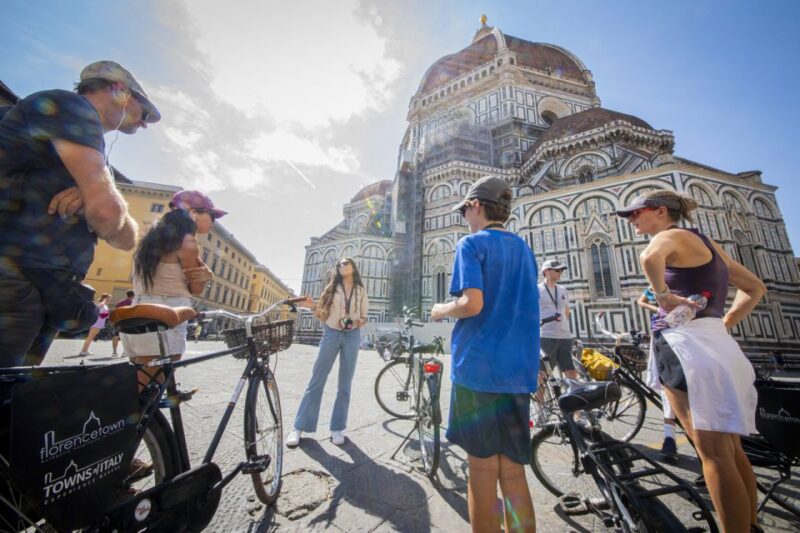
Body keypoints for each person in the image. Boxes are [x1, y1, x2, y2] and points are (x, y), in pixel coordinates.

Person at [619, 190, 766, 533]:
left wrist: (665, 296)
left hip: (687, 350)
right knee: (731, 450)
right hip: (718, 344)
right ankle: (751, 525)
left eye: (635, 212)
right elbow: (755, 288)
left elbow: (649, 259)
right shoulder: (708, 245)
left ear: (659, 211)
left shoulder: (669, 236)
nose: (631, 219)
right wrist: (724, 323)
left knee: (712, 455)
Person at [0, 60, 159, 367]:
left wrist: (96, 192)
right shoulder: (68, 107)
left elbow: (127, 239)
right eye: (146, 112)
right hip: (16, 280)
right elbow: (108, 214)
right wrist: (99, 198)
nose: (145, 123)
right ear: (119, 92)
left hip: (45, 285)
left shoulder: (90, 155)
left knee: (17, 400)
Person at [431, 176, 539, 532]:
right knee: (512, 471)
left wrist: (441, 310)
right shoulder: (524, 250)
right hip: (517, 373)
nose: (464, 217)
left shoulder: (471, 244)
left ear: (476, 205)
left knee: (481, 469)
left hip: (478, 371)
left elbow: (472, 303)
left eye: (464, 210)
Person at [120, 190, 220, 386]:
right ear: (193, 213)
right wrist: (208, 276)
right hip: (165, 317)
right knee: (148, 392)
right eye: (212, 215)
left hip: (137, 311)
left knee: (140, 388)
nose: (214, 221)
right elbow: (196, 288)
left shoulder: (151, 238)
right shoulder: (188, 242)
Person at [288, 258, 369, 447]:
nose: (342, 265)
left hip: (352, 336)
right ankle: (299, 427)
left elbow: (364, 316)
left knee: (345, 384)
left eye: (346, 263)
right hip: (331, 333)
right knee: (317, 380)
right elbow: (321, 313)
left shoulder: (361, 291)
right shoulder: (331, 289)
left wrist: (358, 322)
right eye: (340, 264)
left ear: (353, 267)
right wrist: (312, 306)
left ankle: (337, 428)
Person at [637, 287, 679, 462]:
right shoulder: (655, 285)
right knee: (668, 386)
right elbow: (641, 300)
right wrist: (659, 310)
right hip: (663, 335)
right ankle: (670, 437)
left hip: (691, 334)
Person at [538, 260, 576, 379]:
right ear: (546, 271)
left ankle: (574, 397)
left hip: (565, 336)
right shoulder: (536, 289)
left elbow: (567, 311)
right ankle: (541, 398)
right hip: (546, 336)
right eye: (557, 270)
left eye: (561, 270)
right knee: (543, 373)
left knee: (571, 371)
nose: (560, 273)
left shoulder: (563, 290)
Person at [111, 290, 135, 356]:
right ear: (133, 296)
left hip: (118, 321)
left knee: (116, 336)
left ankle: (114, 352)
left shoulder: (120, 302)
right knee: (126, 337)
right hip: (128, 321)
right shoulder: (133, 303)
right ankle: (124, 352)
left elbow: (115, 311)